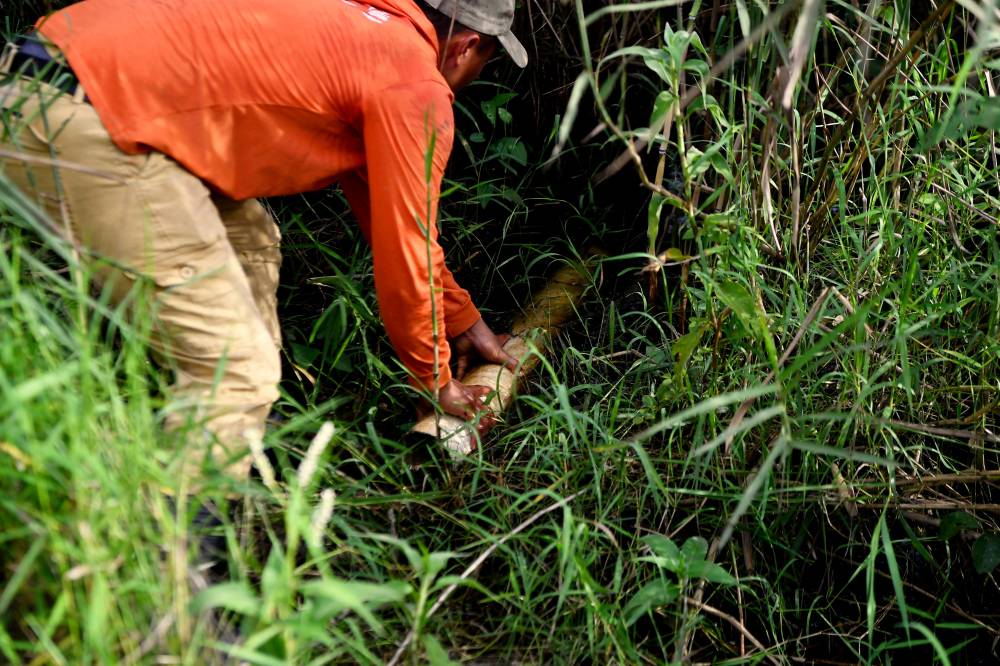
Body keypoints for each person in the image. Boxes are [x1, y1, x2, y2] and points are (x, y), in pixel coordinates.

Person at [0, 0, 527, 481]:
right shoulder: (414, 85)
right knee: (235, 370)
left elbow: (395, 229)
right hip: (84, 118)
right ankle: (179, 560)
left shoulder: (358, 28)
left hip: (38, 70)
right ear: (464, 47)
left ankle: (241, 445)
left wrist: (459, 320)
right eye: (486, 64)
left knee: (250, 241)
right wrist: (435, 380)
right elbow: (408, 254)